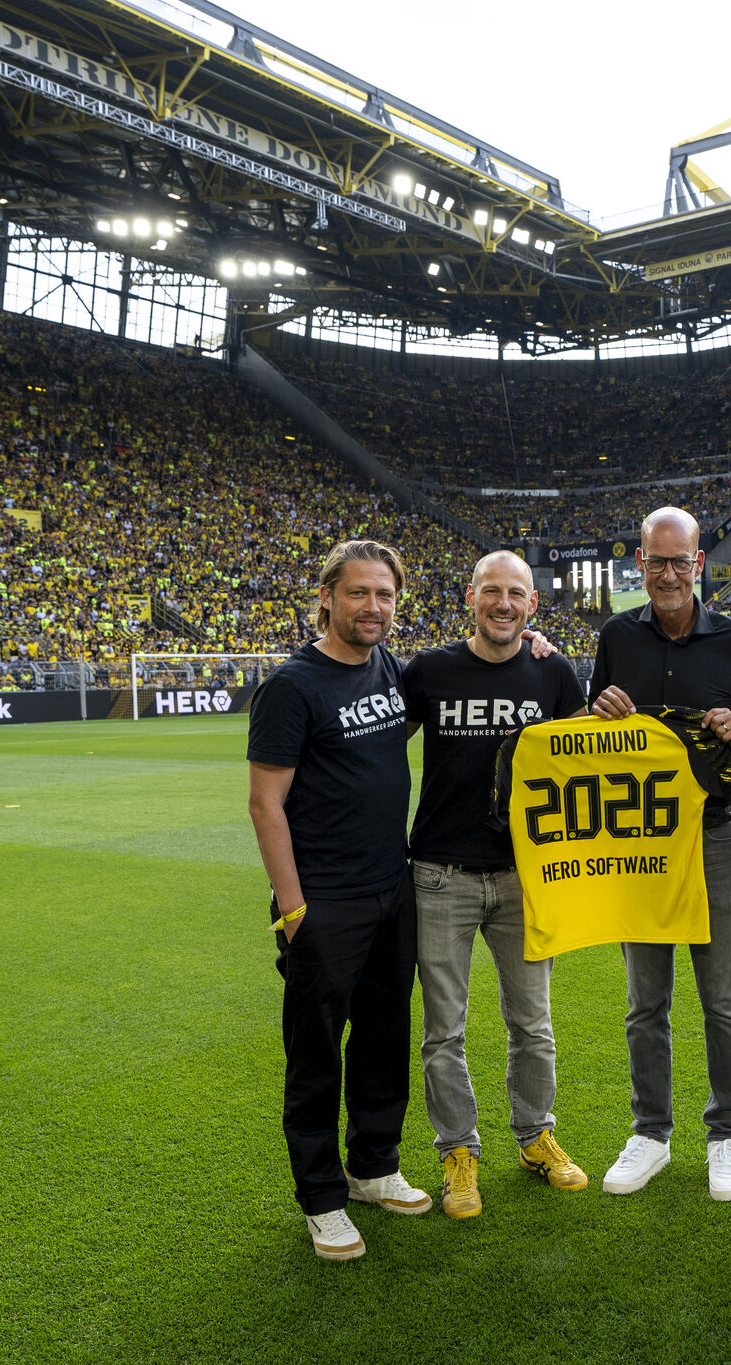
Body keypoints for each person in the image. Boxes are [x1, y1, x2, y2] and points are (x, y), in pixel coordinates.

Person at [246, 539, 430, 1263]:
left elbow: (395, 734)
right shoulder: (293, 685)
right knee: (317, 1053)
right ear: (326, 596)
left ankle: (374, 1166)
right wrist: (294, 911)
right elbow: (266, 803)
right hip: (325, 901)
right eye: (358, 594)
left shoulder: (387, 666)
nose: (373, 608)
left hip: (394, 886)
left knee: (385, 1037)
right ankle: (321, 1196)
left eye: (384, 595)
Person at [588, 507, 731, 1201]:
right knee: (645, 1000)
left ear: (700, 562)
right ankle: (650, 1130)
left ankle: (726, 1132)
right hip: (638, 841)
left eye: (681, 560)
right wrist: (598, 707)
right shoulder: (615, 635)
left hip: (712, 834)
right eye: (656, 561)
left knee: (722, 995)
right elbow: (596, 734)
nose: (668, 572)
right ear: (640, 563)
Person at [403, 550, 588, 1220]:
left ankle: (535, 1136)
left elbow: (580, 763)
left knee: (532, 1023)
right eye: (492, 591)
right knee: (442, 1029)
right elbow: (377, 739)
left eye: (516, 593)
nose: (503, 603)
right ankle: (458, 1152)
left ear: (532, 605)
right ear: (471, 597)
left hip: (524, 877)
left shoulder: (554, 671)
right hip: (440, 873)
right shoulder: (428, 669)